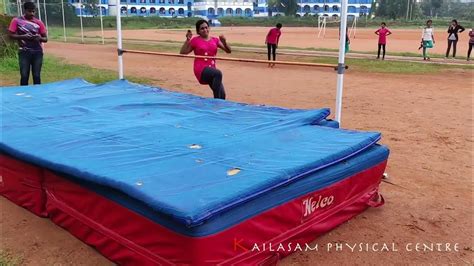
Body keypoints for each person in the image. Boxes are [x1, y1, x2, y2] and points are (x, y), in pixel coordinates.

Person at [180, 20, 231, 100]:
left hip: (212, 70)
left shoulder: (215, 40)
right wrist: (187, 40)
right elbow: (183, 52)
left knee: (222, 94)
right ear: (198, 31)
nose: (205, 30)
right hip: (201, 70)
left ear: (209, 28)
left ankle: (218, 107)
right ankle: (216, 102)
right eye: (202, 28)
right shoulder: (195, 40)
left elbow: (228, 51)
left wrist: (224, 42)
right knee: (218, 73)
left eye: (206, 27)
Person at [8, 1, 48, 86]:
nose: (32, 13)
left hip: (37, 52)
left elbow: (45, 38)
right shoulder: (17, 21)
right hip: (24, 52)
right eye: (29, 11)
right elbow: (10, 35)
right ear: (25, 10)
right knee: (24, 75)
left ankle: (37, 95)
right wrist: (23, 36)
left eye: (33, 11)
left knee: (36, 75)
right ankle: (24, 96)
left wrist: (39, 38)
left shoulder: (39, 23)